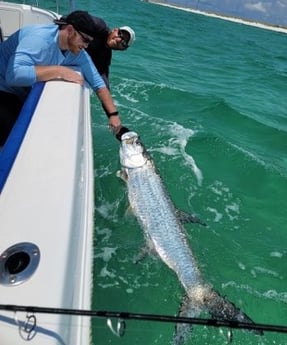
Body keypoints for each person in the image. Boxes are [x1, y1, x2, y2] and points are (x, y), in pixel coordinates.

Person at [0, 10, 129, 147]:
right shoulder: (39, 39)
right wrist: (58, 70)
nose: (86, 46)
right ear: (70, 29)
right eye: (85, 40)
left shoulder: (77, 52)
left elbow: (98, 83)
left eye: (89, 42)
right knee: (14, 138)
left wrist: (113, 115)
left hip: (20, 91)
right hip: (3, 86)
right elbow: (13, 75)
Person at [85, 17, 136, 89]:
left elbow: (103, 81)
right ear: (114, 30)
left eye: (123, 42)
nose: (118, 40)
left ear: (123, 49)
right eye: (120, 34)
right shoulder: (99, 27)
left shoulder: (105, 58)